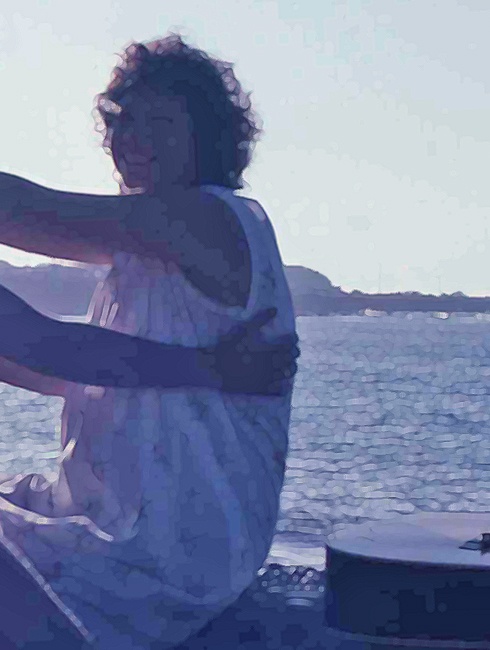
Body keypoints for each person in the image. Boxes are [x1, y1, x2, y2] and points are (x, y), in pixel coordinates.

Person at [0, 33, 297, 649]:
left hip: (165, 557)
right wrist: (204, 368)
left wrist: (206, 370)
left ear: (207, 137)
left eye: (160, 122)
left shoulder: (209, 219)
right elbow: (64, 364)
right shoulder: (140, 255)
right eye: (125, 121)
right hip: (115, 527)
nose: (134, 138)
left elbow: (23, 213)